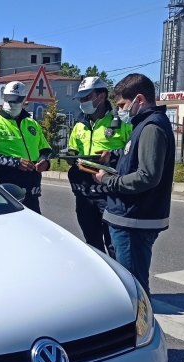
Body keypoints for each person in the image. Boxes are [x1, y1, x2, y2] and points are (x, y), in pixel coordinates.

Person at [94, 74, 175, 295]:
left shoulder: (151, 127)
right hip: (129, 218)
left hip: (134, 221)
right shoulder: (143, 124)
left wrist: (107, 180)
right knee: (131, 283)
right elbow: (137, 161)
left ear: (139, 99)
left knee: (134, 289)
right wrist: (115, 157)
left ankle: (140, 329)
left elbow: (147, 176)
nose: (120, 110)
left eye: (122, 105)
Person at [67, 77, 132, 259]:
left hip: (109, 193)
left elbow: (133, 149)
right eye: (80, 99)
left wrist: (112, 154)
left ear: (101, 96)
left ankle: (120, 282)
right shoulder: (80, 123)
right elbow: (73, 148)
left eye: (87, 97)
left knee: (114, 245)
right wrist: (70, 157)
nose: (82, 102)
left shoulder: (120, 120)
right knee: (93, 245)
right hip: (85, 194)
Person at [0, 81, 52, 213]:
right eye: (9, 100)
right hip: (4, 190)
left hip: (31, 190)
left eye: (16, 101)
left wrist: (45, 161)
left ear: (24, 101)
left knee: (33, 231)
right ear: (3, 98)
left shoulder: (32, 124)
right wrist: (15, 163)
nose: (12, 104)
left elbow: (45, 149)